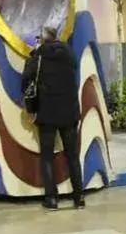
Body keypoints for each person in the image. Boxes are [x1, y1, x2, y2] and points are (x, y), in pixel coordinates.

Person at [21, 26, 85, 211]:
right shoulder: (69, 54)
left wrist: (31, 108)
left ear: (42, 39)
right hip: (69, 112)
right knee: (72, 156)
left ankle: (52, 200)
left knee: (47, 157)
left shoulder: (38, 57)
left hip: (47, 114)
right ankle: (79, 197)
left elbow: (26, 80)